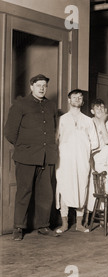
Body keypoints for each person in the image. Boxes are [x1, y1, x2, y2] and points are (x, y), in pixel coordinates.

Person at [5, 74, 60, 240]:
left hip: (46, 157)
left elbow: (54, 130)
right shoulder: (20, 104)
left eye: (44, 85)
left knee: (46, 193)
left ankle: (43, 226)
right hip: (26, 157)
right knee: (24, 192)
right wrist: (25, 147)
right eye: (38, 85)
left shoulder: (51, 106)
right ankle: (18, 228)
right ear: (31, 87)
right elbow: (9, 132)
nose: (42, 88)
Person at [55, 89, 99, 233]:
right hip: (64, 161)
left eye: (80, 97)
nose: (77, 99)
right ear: (69, 100)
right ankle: (65, 223)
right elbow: (55, 140)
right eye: (74, 97)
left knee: (81, 189)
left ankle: (79, 224)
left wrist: (83, 153)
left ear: (83, 101)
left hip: (82, 161)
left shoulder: (88, 120)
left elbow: (95, 142)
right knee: (64, 189)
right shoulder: (62, 120)